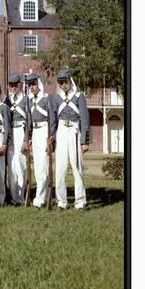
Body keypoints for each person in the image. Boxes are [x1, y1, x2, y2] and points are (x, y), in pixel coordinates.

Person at [50, 68, 90, 210]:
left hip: (74, 131)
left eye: (65, 82)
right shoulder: (56, 98)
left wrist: (85, 141)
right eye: (60, 82)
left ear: (70, 81)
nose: (63, 85)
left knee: (77, 167)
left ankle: (80, 202)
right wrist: (52, 138)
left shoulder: (79, 96)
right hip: (61, 131)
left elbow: (85, 120)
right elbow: (53, 120)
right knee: (60, 169)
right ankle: (61, 202)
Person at [27, 73, 52, 208]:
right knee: (37, 166)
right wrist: (30, 137)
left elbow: (52, 119)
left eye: (34, 84)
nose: (32, 87)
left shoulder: (47, 99)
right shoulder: (30, 101)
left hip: (44, 130)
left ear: (39, 84)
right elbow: (30, 121)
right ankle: (45, 195)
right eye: (29, 85)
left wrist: (51, 136)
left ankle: (40, 198)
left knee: (43, 166)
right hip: (35, 133)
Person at [5, 74, 31, 205]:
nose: (13, 88)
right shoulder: (7, 100)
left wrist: (26, 139)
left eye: (15, 85)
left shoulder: (26, 99)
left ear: (20, 85)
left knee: (21, 165)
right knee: (11, 167)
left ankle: (21, 197)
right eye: (11, 85)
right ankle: (13, 197)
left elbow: (29, 120)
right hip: (11, 133)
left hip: (21, 130)